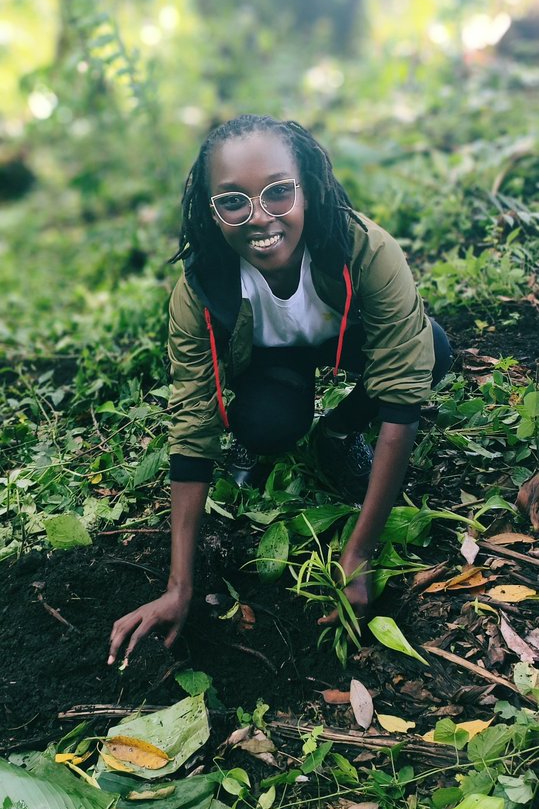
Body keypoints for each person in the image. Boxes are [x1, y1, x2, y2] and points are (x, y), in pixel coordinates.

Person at [108, 115, 451, 666]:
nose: (260, 217)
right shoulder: (201, 289)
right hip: (272, 362)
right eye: (233, 201)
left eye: (277, 192)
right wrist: (179, 586)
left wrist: (358, 553)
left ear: (307, 189)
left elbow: (403, 390)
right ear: (211, 210)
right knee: (267, 426)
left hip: (344, 338)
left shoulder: (363, 248)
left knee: (432, 347)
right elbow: (193, 423)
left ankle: (337, 432)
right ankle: (268, 432)